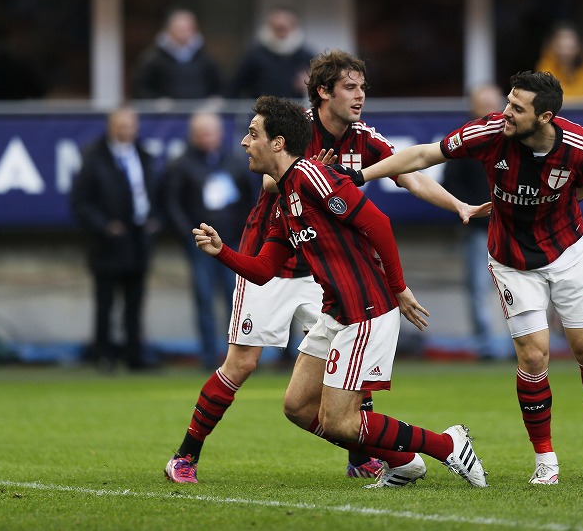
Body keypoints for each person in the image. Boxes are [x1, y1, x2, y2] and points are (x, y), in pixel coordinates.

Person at [164, 49, 486, 483]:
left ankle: (367, 455)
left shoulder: (362, 139)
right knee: (243, 365)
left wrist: (458, 205)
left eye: (363, 87)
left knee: (349, 369)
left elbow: (410, 171)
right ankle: (186, 455)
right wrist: (310, 174)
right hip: (273, 260)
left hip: (325, 273)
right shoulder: (293, 130)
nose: (360, 96)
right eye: (350, 87)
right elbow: (271, 178)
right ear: (323, 92)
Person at [351, 71, 583, 485]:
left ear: (544, 117)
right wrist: (360, 176)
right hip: (510, 258)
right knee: (533, 356)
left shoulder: (581, 146)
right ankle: (545, 458)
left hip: (569, 251)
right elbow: (421, 156)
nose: (506, 112)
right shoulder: (489, 132)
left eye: (517, 108)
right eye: (508, 101)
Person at [70, 106, 162, 371]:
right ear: (111, 127)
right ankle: (104, 355)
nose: (126, 131)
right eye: (121, 126)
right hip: (107, 243)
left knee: (135, 303)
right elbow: (80, 202)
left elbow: (156, 192)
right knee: (105, 303)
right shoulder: (94, 157)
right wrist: (104, 226)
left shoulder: (143, 155)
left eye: (130, 126)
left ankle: (135, 355)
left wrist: (154, 220)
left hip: (139, 238)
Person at [163, 110, 256, 369]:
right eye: (202, 134)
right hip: (201, 245)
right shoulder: (181, 165)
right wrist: (189, 233)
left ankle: (237, 355)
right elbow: (172, 204)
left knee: (235, 299)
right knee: (204, 298)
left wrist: (243, 233)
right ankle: (208, 356)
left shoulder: (235, 162)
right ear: (193, 136)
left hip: (232, 243)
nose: (207, 139)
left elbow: (250, 200)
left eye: (211, 133)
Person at [442, 83, 505, 359]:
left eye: (493, 103)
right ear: (473, 107)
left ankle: (523, 342)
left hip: (512, 228)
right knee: (479, 288)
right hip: (479, 230)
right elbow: (450, 183)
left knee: (520, 286)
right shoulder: (462, 140)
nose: (490, 109)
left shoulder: (514, 138)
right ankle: (486, 346)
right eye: (484, 103)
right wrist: (469, 210)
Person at [131, 9, 223, 101]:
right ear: (169, 29)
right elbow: (140, 88)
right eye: (180, 29)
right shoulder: (154, 58)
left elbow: (219, 86)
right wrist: (157, 101)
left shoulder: (205, 58)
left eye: (188, 28)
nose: (184, 33)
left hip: (199, 108)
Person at [227, 7, 315, 101]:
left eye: (284, 28)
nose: (281, 32)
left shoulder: (307, 56)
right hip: (260, 108)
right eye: (277, 28)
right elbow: (235, 86)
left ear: (294, 27)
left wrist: (309, 87)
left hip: (295, 108)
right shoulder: (254, 56)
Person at [534, 22, 583, 104]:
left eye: (570, 47)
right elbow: (546, 100)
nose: (566, 52)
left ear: (578, 48)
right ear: (553, 46)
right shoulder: (545, 69)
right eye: (561, 47)